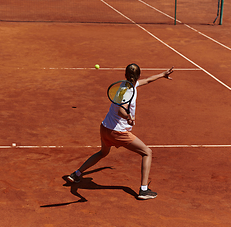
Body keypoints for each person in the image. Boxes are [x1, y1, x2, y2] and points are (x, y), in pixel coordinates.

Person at [67, 63, 174, 200]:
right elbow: (121, 110)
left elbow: (146, 81)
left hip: (105, 128)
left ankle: (76, 174)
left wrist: (162, 75)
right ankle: (143, 190)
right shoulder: (129, 91)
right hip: (118, 133)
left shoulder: (125, 84)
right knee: (147, 152)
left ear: (126, 76)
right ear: (138, 75)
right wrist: (129, 117)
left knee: (103, 152)